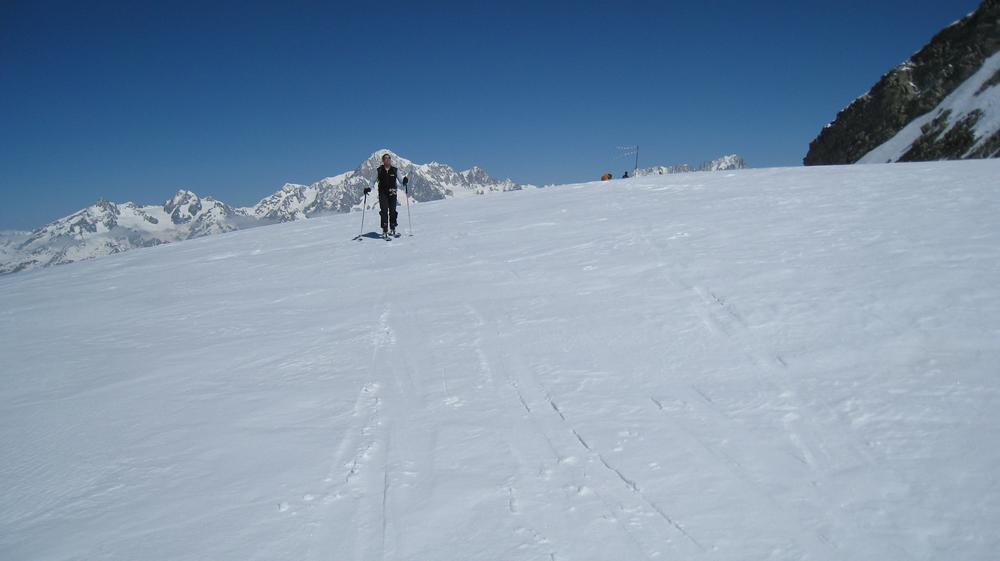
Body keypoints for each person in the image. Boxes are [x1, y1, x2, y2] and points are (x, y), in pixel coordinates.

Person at [364, 153, 408, 238]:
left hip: (393, 193)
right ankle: (385, 230)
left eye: (388, 158)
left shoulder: (395, 170)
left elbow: (401, 180)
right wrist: (369, 188)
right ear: (383, 161)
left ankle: (392, 228)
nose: (387, 160)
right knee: (384, 211)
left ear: (390, 160)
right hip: (383, 193)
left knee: (393, 211)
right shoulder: (379, 170)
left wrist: (404, 181)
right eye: (385, 159)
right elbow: (372, 181)